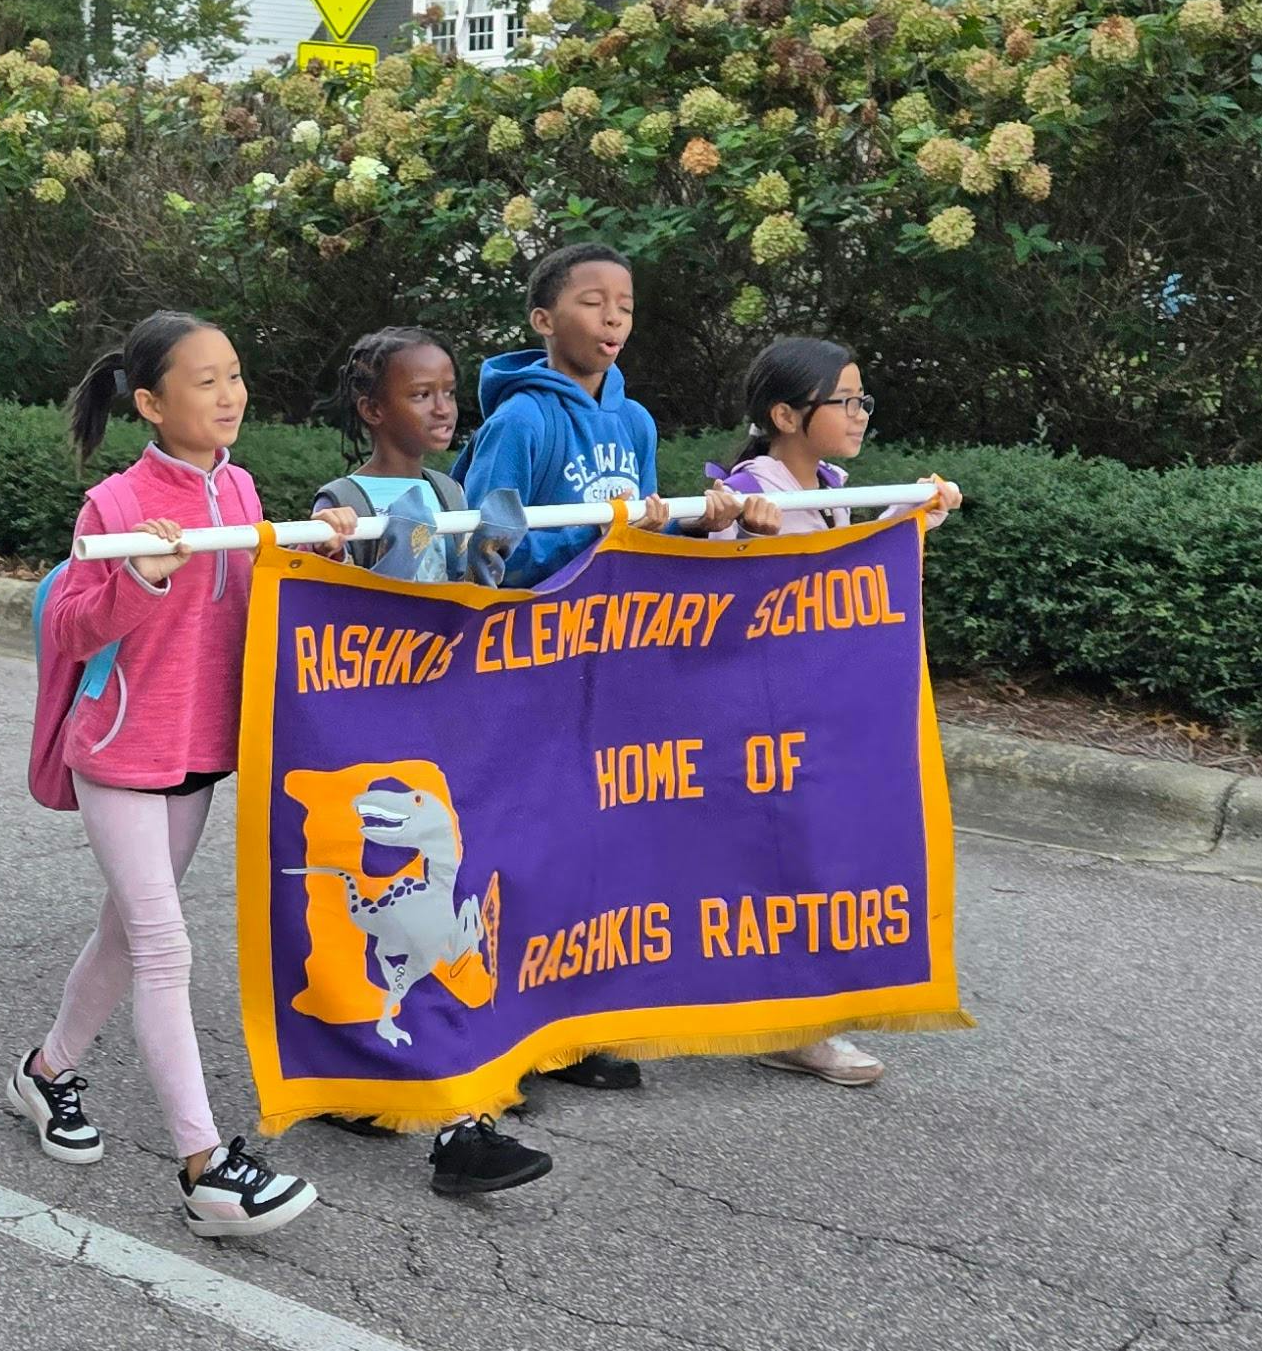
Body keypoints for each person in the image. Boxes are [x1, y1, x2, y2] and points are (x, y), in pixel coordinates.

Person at [10, 310, 317, 1240]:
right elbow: (68, 631)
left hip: (196, 758)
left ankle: (47, 1070)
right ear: (150, 402)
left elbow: (252, 606)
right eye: (205, 380)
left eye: (235, 375)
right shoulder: (114, 506)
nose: (229, 394)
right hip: (119, 756)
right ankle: (206, 1169)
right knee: (162, 947)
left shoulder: (243, 489)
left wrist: (318, 553)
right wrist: (135, 576)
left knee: (125, 932)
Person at [448, 242, 750, 1094]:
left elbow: (637, 550)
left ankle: (569, 1024)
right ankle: (500, 1028)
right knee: (516, 843)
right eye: (591, 301)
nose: (613, 317)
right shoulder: (520, 421)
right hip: (522, 668)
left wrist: (680, 531)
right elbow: (486, 545)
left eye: (623, 302)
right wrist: (599, 531)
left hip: (605, 665)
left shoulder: (637, 422)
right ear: (545, 320)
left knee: (590, 840)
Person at [300, 326, 556, 1196]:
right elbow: (320, 611)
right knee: (364, 924)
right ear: (374, 408)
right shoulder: (342, 496)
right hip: (366, 746)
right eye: (421, 394)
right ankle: (366, 1080)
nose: (443, 407)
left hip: (449, 736)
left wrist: (487, 557)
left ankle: (460, 1113)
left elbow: (473, 606)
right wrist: (332, 543)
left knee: (446, 915)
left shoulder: (452, 488)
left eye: (450, 390)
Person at [707, 336, 963, 1088]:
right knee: (788, 863)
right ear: (786, 413)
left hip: (812, 711)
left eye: (862, 399)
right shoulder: (750, 490)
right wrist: (731, 535)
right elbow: (706, 589)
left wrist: (909, 513)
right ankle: (797, 1022)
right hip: (759, 717)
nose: (859, 413)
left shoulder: (826, 485)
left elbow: (844, 564)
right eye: (844, 400)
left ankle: (791, 1017)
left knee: (810, 859)